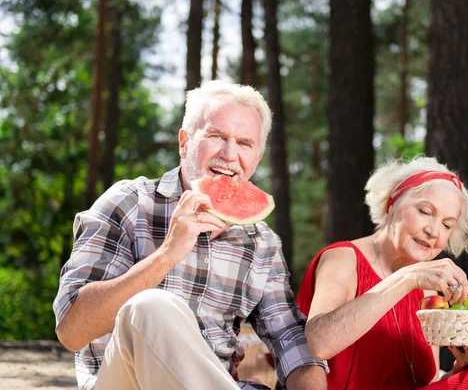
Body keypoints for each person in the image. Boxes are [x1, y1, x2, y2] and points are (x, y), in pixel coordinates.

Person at [53, 80, 327, 390]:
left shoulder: (261, 241)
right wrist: (167, 254)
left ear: (258, 158)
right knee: (150, 307)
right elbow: (71, 331)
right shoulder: (130, 202)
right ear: (184, 143)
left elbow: (289, 336)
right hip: (125, 383)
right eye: (216, 136)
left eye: (245, 143)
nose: (229, 153)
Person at [296, 157, 468, 390]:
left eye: (447, 225)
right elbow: (319, 343)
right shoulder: (343, 258)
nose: (434, 231)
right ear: (391, 204)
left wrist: (457, 373)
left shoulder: (429, 291)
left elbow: (426, 382)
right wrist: (408, 278)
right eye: (425, 212)